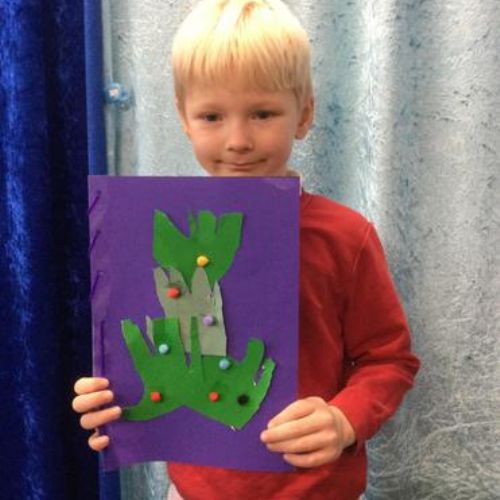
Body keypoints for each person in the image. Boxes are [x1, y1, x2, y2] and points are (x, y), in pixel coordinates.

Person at [72, 0, 420, 498]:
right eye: (212, 115)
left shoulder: (345, 236)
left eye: (262, 113)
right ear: (184, 118)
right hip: (193, 492)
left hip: (317, 491)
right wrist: (110, 399)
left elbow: (389, 359)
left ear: (304, 114)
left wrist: (345, 419)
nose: (238, 140)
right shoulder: (151, 238)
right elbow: (153, 356)